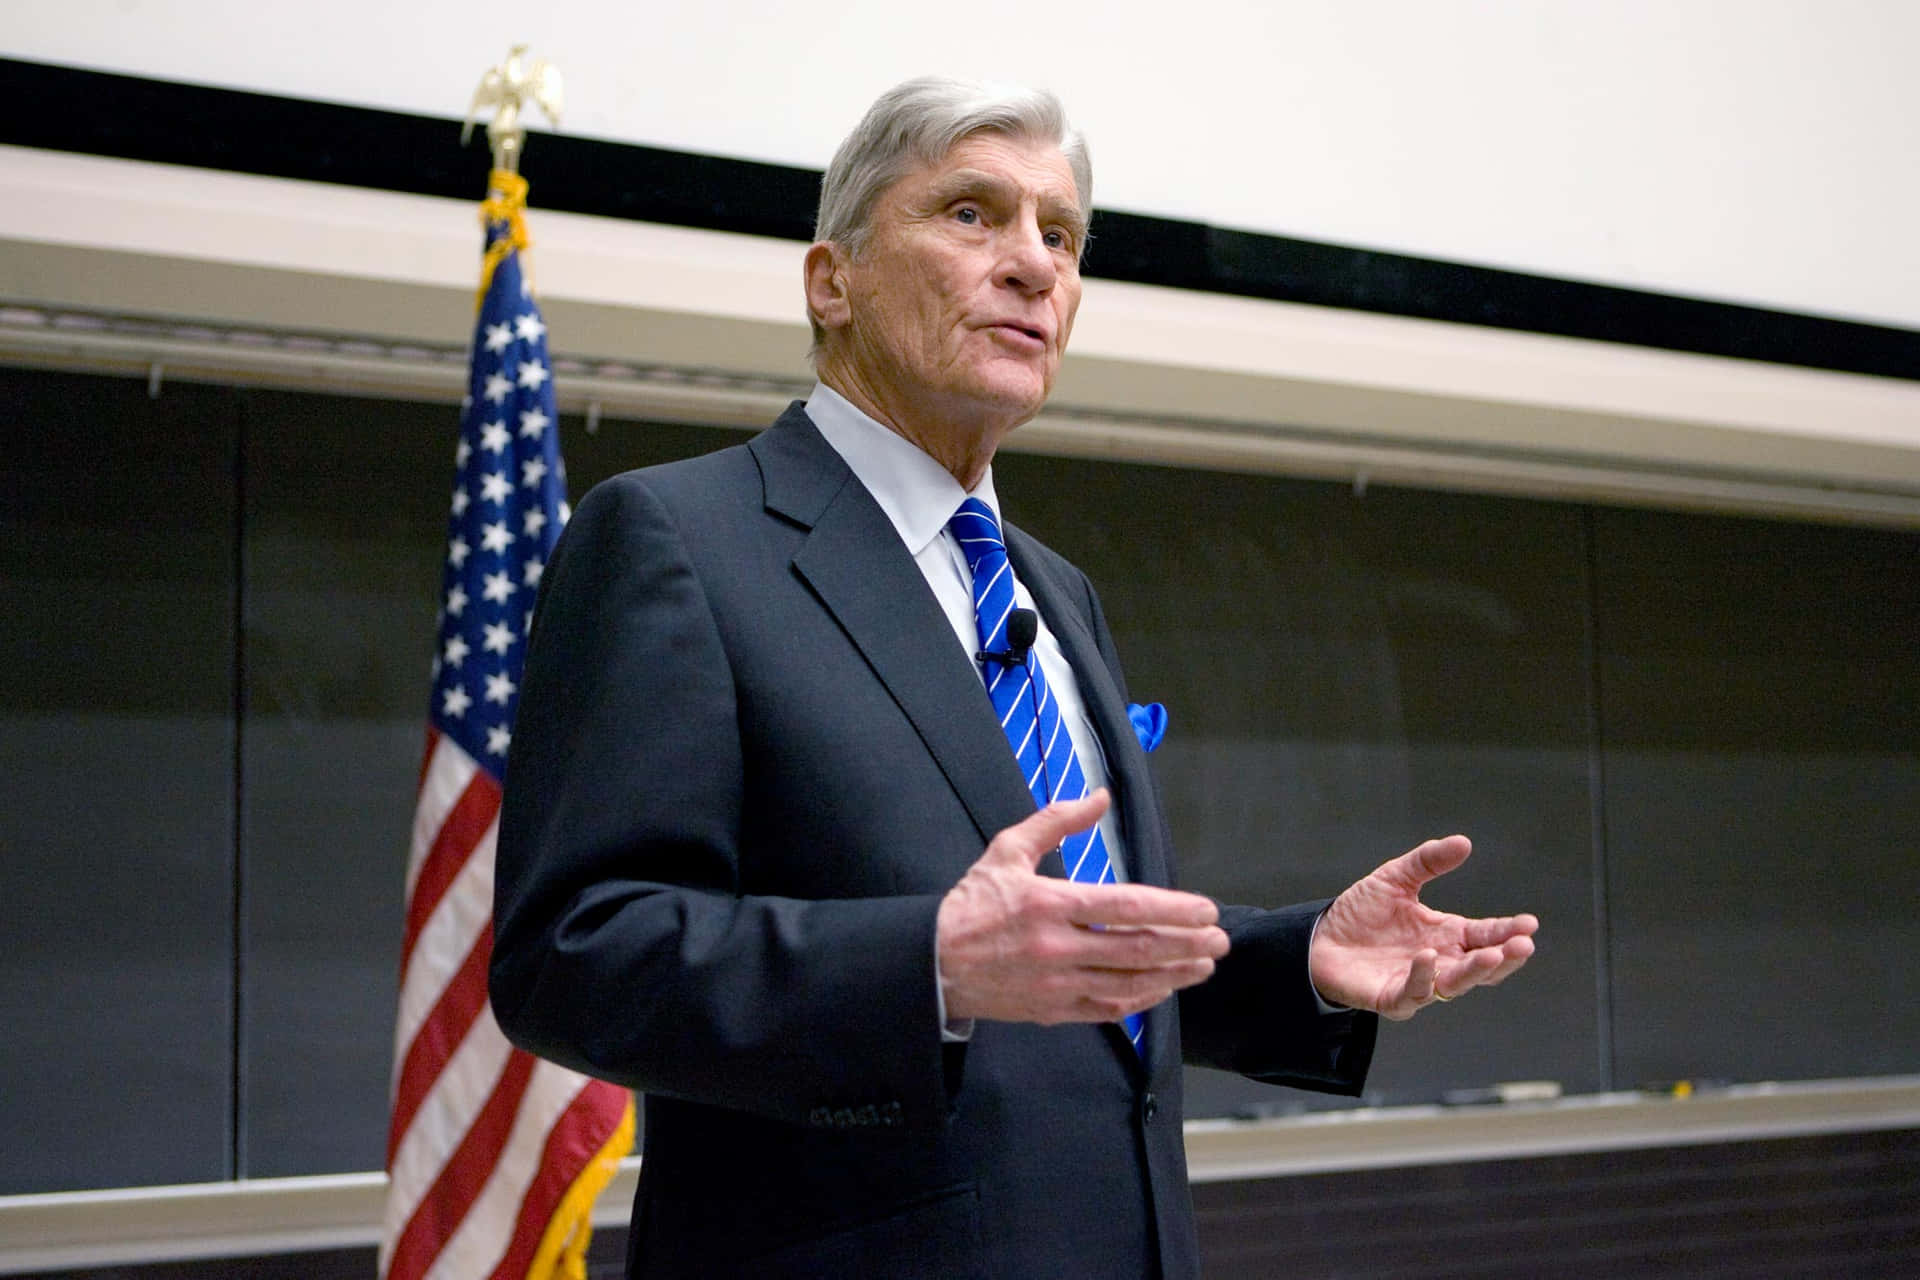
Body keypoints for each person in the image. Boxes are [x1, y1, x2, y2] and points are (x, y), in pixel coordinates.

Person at [491, 76, 1538, 1279]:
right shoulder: (679, 539)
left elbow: (1065, 959)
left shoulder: (1057, 589)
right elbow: (572, 952)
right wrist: (926, 964)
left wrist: (1289, 961)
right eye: (973, 214)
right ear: (832, 280)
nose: (1035, 266)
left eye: (1063, 235)